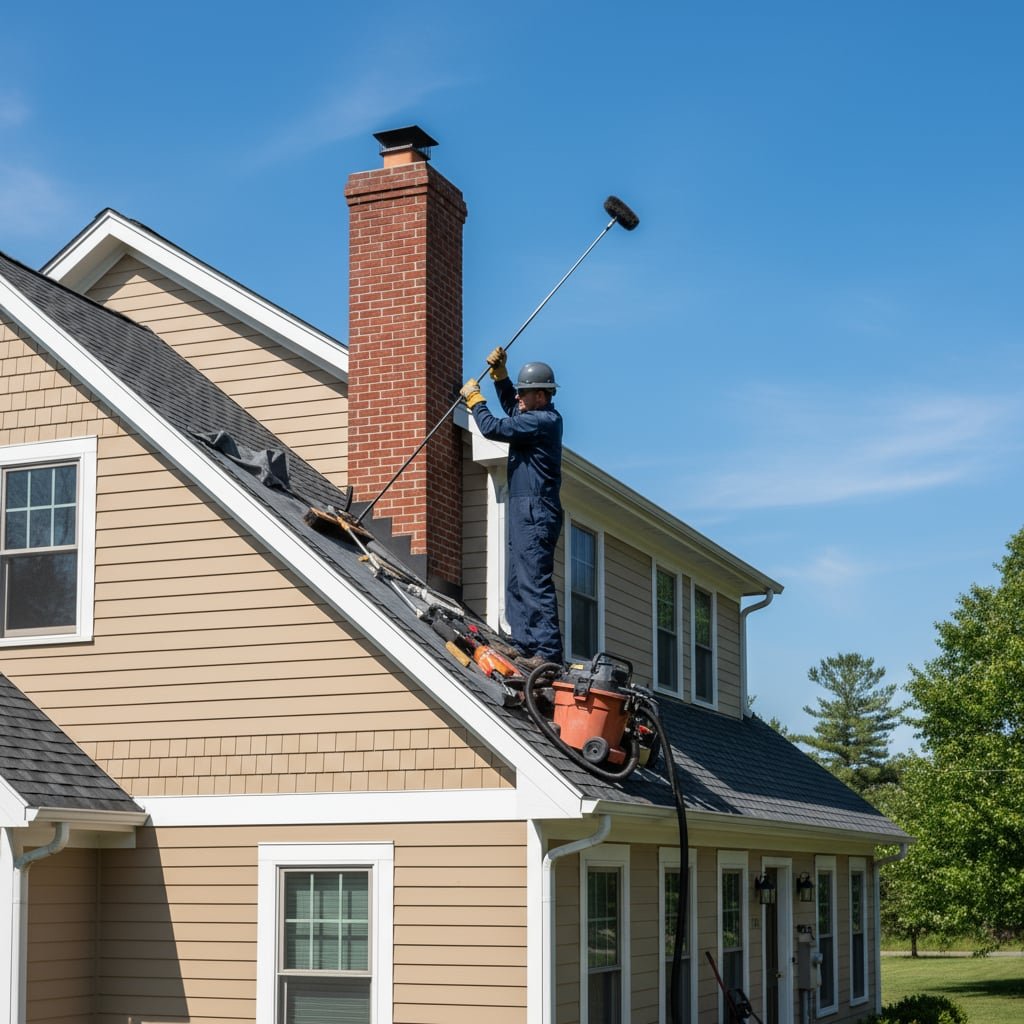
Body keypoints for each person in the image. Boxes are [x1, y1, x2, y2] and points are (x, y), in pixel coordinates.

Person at [460, 348, 564, 669]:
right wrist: (501, 377)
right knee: (517, 579)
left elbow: (493, 427)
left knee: (533, 579)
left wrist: (476, 400)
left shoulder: (544, 421)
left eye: (523, 392)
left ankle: (546, 653)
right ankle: (524, 643)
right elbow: (512, 410)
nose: (518, 397)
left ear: (541, 396)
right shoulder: (533, 417)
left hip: (536, 508)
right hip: (525, 508)